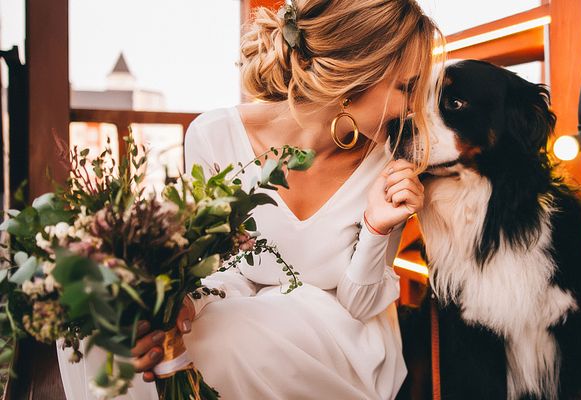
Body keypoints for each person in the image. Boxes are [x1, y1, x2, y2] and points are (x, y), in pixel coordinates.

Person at [57, 1, 442, 399]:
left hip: (343, 336)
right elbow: (221, 273)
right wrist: (186, 305)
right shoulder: (214, 135)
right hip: (238, 314)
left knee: (222, 340)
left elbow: (360, 306)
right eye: (405, 88)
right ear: (353, 76)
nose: (412, 107)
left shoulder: (389, 160)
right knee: (112, 325)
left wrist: (376, 227)